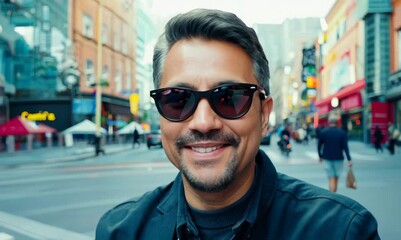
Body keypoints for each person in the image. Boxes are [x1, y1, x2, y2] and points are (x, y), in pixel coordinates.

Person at [96, 9, 379, 239]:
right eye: (178, 99)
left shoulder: (342, 231)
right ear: (160, 113)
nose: (204, 122)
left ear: (264, 114)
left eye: (230, 97)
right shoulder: (120, 231)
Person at [318, 116, 352, 192]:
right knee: (336, 177)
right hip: (339, 158)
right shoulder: (342, 133)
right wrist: (349, 159)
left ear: (329, 122)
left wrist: (320, 156)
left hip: (327, 157)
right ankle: (334, 193)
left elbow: (319, 145)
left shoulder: (324, 132)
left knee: (331, 177)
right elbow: (346, 147)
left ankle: (332, 193)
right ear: (337, 123)